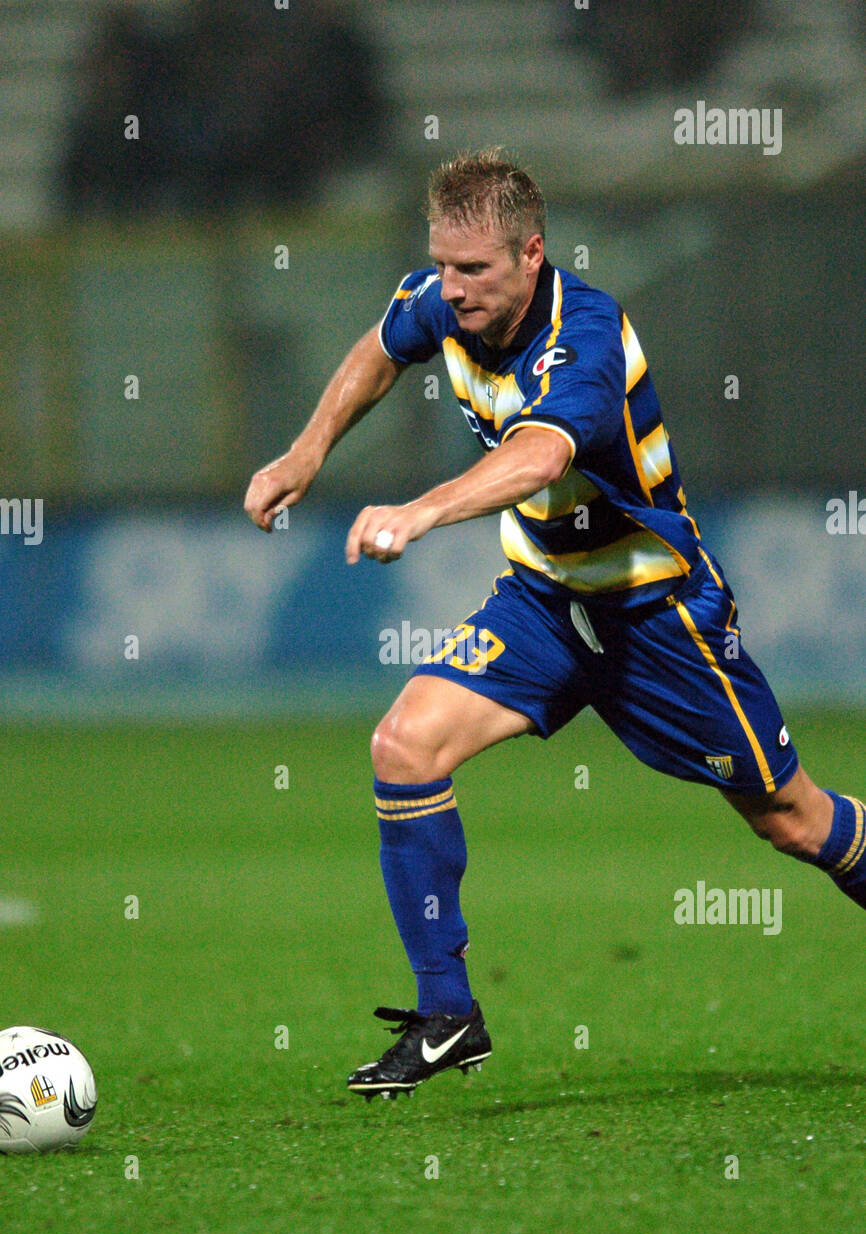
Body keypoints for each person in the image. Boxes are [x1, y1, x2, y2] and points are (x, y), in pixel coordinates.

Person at [244, 150, 866, 1100]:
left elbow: (537, 456)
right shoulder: (440, 299)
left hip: (659, 618)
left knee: (793, 819)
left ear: (532, 254)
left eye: (475, 271)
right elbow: (380, 346)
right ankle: (450, 1013)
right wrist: (305, 451)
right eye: (442, 267)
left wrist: (419, 511)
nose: (450, 292)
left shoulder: (588, 336)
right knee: (405, 745)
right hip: (543, 603)